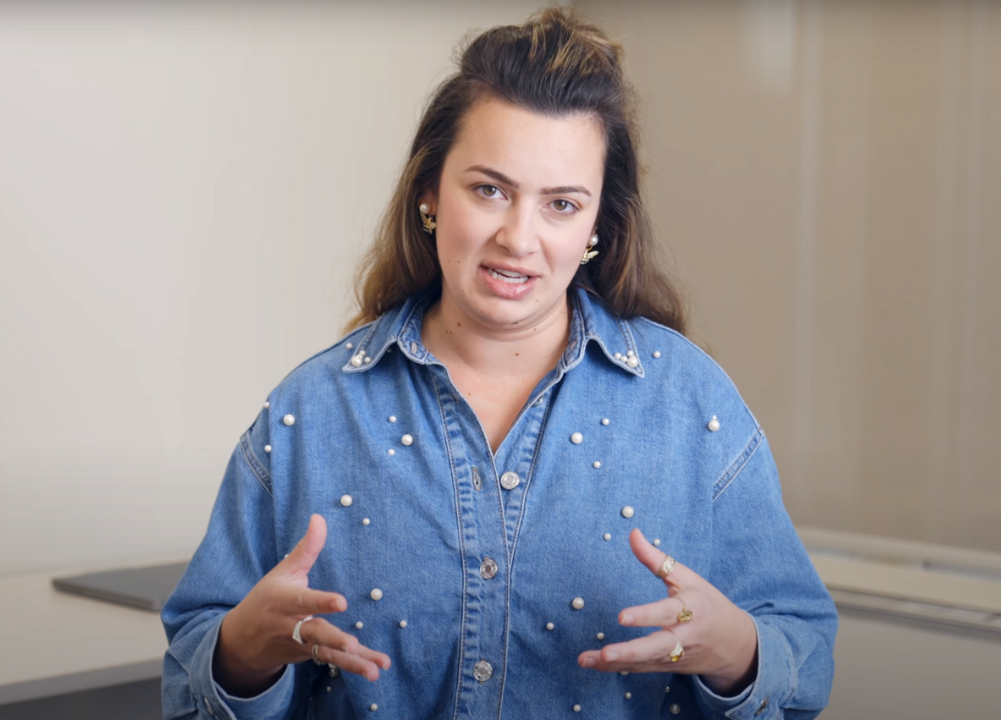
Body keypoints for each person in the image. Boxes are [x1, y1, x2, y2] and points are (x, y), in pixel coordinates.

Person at [161, 8, 837, 719]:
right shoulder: (312, 411)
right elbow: (188, 678)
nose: (519, 237)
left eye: (562, 204)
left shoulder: (694, 407)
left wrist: (739, 655)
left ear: (597, 227)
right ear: (429, 193)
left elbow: (804, 653)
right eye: (489, 190)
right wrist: (241, 654)